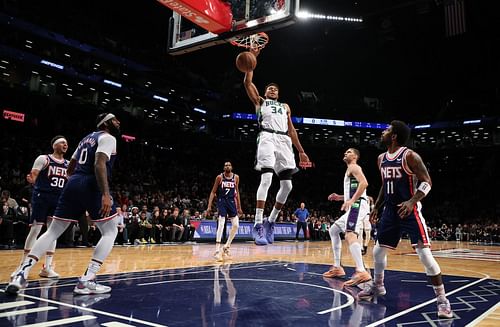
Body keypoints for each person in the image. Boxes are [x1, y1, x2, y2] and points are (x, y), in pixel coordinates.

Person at [7, 112, 121, 295]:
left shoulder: (85, 139)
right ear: (106, 123)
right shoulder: (108, 138)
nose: (118, 122)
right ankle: (87, 279)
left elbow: (70, 167)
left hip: (73, 183)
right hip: (92, 183)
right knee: (110, 231)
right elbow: (99, 164)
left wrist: (75, 183)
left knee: (52, 231)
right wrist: (105, 193)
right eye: (115, 120)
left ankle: (22, 273)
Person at [357, 120, 453, 319]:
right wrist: (377, 205)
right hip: (391, 212)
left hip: (410, 211)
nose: (383, 131)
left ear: (394, 136)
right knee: (377, 251)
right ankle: (378, 286)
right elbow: (385, 184)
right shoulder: (381, 158)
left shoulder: (410, 156)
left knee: (425, 257)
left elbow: (427, 182)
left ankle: (443, 300)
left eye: (388, 130)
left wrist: (411, 201)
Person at [243, 48, 311, 245]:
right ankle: (257, 225)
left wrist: (301, 151)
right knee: (266, 179)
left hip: (284, 141)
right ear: (265, 92)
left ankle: (270, 222)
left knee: (288, 185)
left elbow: (292, 130)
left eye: (275, 89)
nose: (272, 89)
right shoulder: (260, 102)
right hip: (266, 137)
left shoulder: (285, 107)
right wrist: (252, 60)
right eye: (269, 88)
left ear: (279, 93)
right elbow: (248, 83)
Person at [12, 136, 69, 279]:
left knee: (53, 231)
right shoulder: (44, 159)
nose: (65, 144)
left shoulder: (69, 164)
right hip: (42, 197)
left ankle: (47, 267)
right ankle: (22, 265)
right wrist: (32, 180)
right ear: (54, 145)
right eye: (62, 142)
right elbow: (34, 175)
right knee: (35, 229)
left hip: (58, 199)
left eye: (66, 143)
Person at [323, 148, 372, 286]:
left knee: (350, 234)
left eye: (349, 152)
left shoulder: (354, 167)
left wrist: (351, 201)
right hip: (355, 205)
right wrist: (340, 197)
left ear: (355, 156)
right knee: (333, 230)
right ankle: (337, 267)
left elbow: (364, 183)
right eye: (345, 151)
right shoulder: (350, 169)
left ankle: (361, 271)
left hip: (356, 206)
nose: (345, 153)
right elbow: (355, 191)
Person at [207, 162, 242, 261]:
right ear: (224, 167)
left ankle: (226, 246)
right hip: (222, 201)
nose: (227, 166)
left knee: (236, 225)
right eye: (226, 165)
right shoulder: (219, 177)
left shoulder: (236, 177)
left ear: (232, 167)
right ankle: (217, 251)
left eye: (229, 165)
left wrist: (239, 206)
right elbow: (213, 192)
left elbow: (237, 192)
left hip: (231, 202)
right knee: (221, 224)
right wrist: (209, 206)